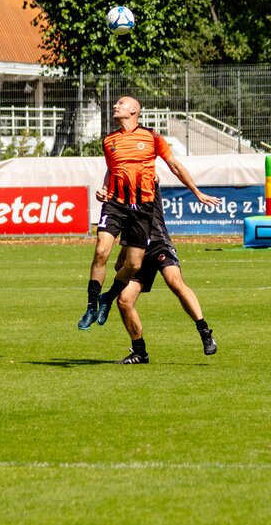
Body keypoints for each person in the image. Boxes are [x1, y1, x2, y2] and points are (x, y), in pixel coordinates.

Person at [78, 96, 221, 335]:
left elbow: (175, 165)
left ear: (134, 110)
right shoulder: (109, 140)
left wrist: (197, 192)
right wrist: (104, 189)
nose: (115, 106)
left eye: (120, 104)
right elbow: (112, 170)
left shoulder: (152, 137)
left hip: (142, 209)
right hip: (115, 204)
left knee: (133, 264)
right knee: (102, 250)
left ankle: (107, 298)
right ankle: (91, 306)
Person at [97, 189, 218, 364]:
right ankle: (139, 352)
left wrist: (196, 192)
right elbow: (124, 247)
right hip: (137, 251)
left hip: (159, 244)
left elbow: (165, 174)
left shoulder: (147, 182)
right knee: (124, 301)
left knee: (174, 281)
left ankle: (205, 332)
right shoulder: (120, 202)